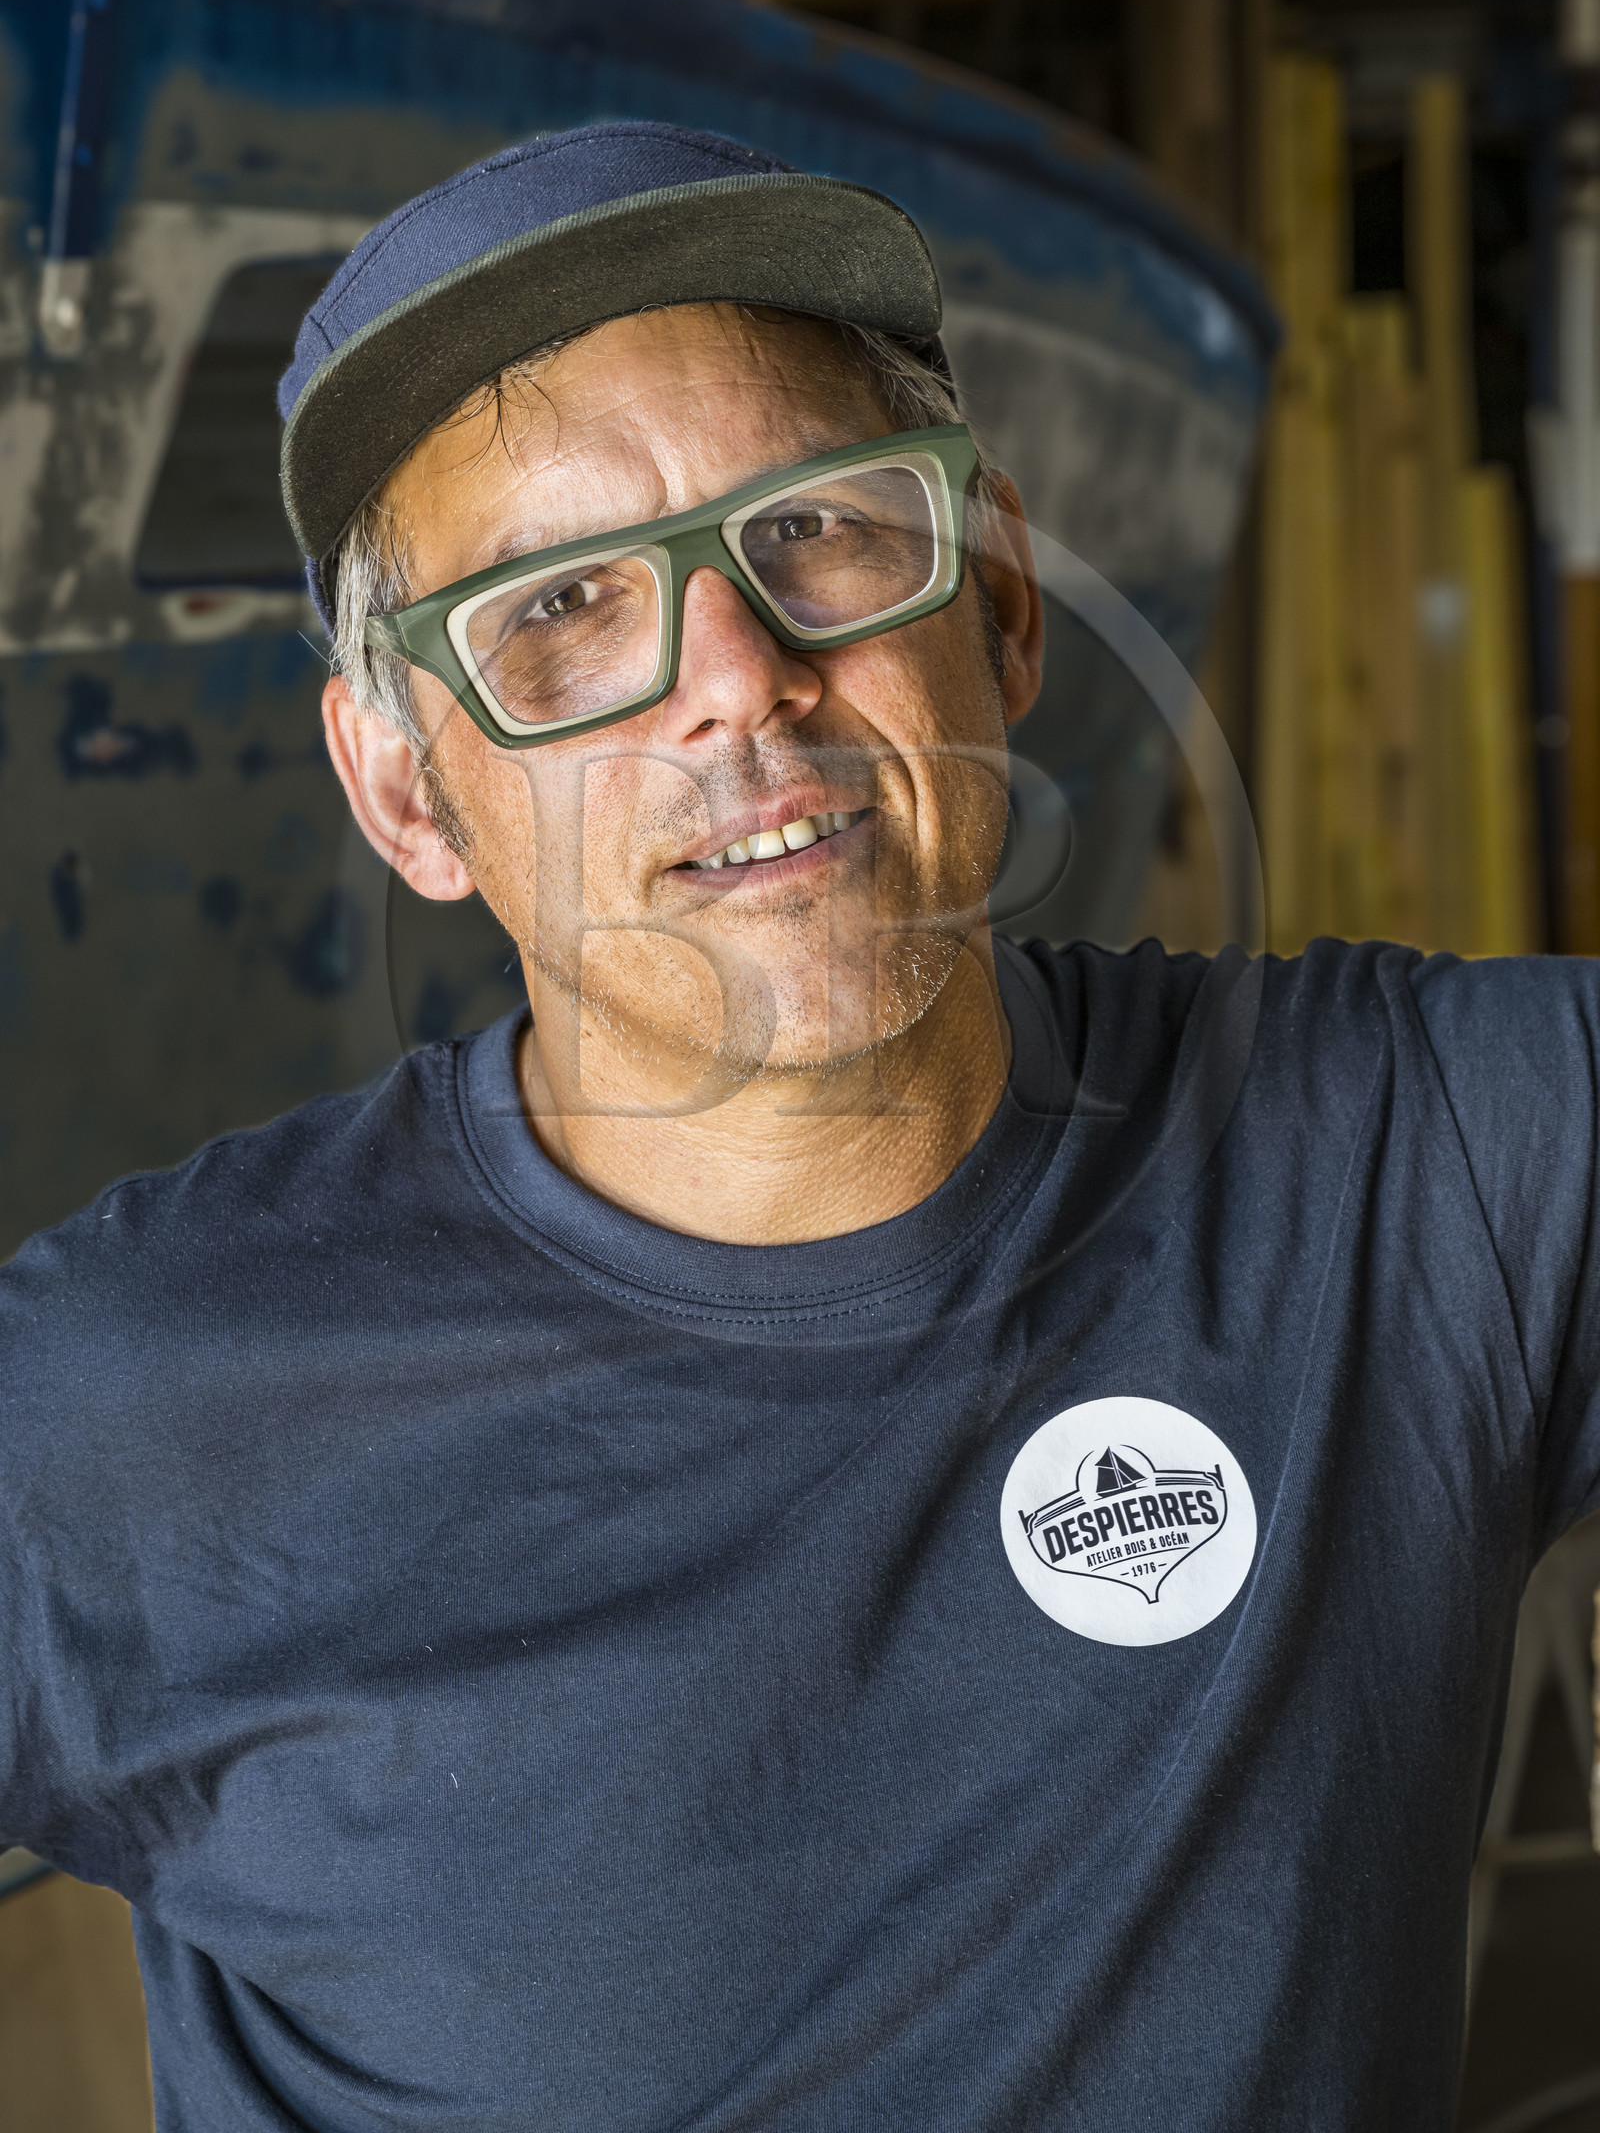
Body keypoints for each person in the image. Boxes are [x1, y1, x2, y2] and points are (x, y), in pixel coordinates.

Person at [1, 120, 1595, 2133]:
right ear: (407, 793)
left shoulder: (1414, 1173)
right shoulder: (119, 1409)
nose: (737, 684)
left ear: (998, 605)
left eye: (819, 532)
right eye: (561, 609)